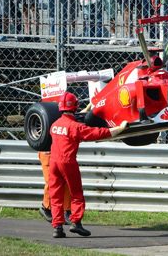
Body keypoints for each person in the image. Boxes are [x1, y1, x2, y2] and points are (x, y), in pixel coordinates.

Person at [49, 92, 127, 238]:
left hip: (53, 163)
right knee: (76, 194)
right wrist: (119, 129)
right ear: (75, 106)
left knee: (56, 196)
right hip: (68, 162)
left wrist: (87, 108)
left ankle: (57, 228)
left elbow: (72, 119)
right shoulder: (75, 127)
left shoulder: (54, 125)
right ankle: (76, 222)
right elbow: (96, 133)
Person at [38, 151, 72, 224]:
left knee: (67, 182)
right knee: (51, 182)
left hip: (63, 152)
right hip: (47, 153)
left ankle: (66, 211)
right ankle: (46, 207)